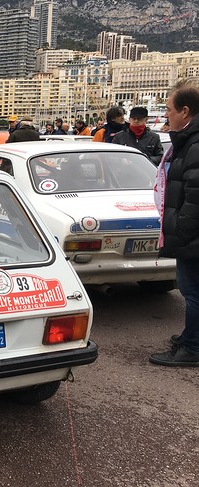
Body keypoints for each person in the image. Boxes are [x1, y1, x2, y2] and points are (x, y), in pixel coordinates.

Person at [150, 82, 199, 367]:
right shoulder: (188, 140)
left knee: (192, 293)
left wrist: (180, 230)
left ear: (185, 110)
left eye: (169, 109)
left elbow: (195, 198)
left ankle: (192, 348)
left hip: (192, 237)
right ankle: (191, 337)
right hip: (190, 234)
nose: (166, 115)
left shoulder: (194, 144)